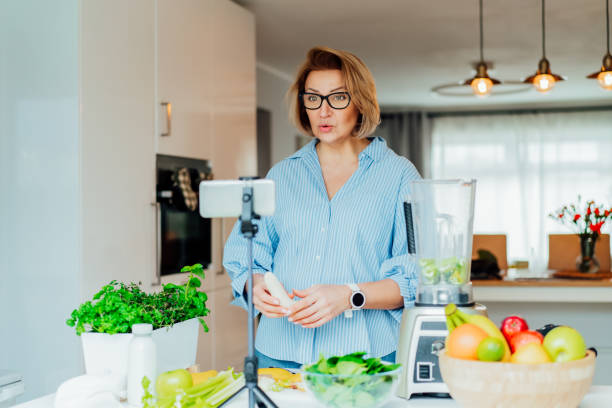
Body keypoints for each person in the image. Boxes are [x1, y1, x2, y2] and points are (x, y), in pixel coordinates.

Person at [223, 46, 421, 369]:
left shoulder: (399, 176)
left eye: (338, 98)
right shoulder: (282, 175)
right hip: (277, 356)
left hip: (362, 361)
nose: (323, 111)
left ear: (360, 102)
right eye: (313, 98)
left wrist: (349, 296)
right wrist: (256, 286)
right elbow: (244, 255)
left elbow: (413, 279)